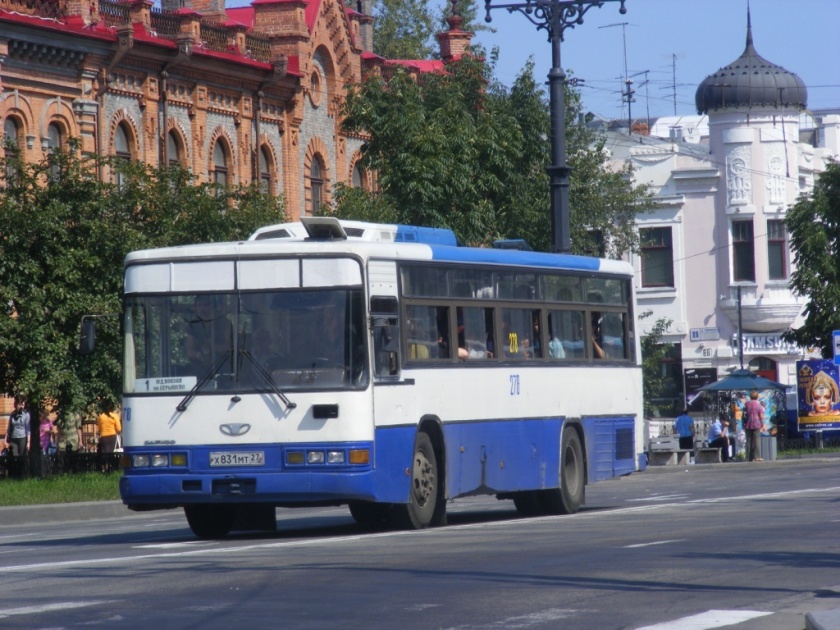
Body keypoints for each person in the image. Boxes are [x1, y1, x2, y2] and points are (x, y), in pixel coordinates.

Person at [743, 390, 764, 462]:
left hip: (748, 424)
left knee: (748, 441)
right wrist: (762, 424)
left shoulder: (747, 404)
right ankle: (757, 457)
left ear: (750, 396)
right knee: (756, 440)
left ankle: (748, 457)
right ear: (757, 396)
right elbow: (761, 416)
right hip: (756, 424)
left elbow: (744, 414)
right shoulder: (759, 405)